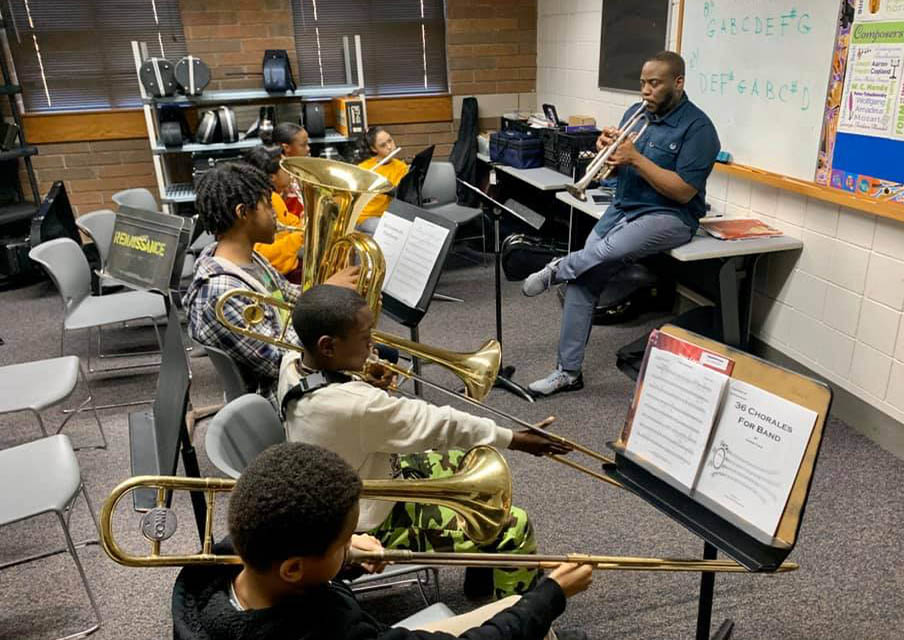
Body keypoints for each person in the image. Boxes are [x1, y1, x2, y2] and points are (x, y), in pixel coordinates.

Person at [278, 284, 573, 599]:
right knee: (514, 527)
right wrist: (516, 439)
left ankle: (482, 572)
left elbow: (354, 406)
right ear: (327, 346)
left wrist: (367, 380)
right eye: (364, 339)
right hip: (364, 524)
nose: (372, 345)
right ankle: (519, 614)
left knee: (472, 464)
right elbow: (440, 424)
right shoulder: (356, 405)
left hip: (352, 481)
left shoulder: (291, 361)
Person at [172, 442, 593, 640]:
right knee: (524, 612)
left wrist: (343, 560)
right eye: (343, 541)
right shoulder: (324, 630)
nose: (352, 543)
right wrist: (551, 595)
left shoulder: (220, 567)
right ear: (295, 567)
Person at [523, 51, 720, 397]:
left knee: (606, 251)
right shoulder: (636, 114)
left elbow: (683, 191)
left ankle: (557, 268)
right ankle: (568, 373)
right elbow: (615, 172)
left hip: (670, 216)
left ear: (678, 83)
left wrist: (636, 158)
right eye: (643, 82)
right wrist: (608, 152)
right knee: (584, 279)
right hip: (624, 207)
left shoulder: (699, 129)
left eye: (654, 83)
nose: (645, 90)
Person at [183, 162, 358, 407]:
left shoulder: (250, 259)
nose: (276, 213)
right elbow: (280, 360)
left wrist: (333, 293)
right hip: (281, 397)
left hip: (295, 373)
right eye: (268, 205)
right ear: (243, 213)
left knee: (371, 352)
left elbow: (292, 297)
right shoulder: (222, 292)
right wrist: (326, 296)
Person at [242, 145, 304, 282]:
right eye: (285, 168)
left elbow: (289, 221)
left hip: (290, 266)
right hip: (282, 275)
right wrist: (302, 235)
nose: (290, 172)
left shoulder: (276, 198)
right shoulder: (269, 201)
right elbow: (265, 254)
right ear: (272, 177)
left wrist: (302, 223)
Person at [356, 126, 409, 234]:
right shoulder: (364, 168)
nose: (389, 147)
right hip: (365, 217)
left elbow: (400, 195)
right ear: (374, 149)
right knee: (392, 229)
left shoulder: (401, 167)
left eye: (390, 141)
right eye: (383, 145)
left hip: (388, 216)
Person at [273, 122, 310, 218]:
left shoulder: (302, 165)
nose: (308, 148)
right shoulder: (280, 175)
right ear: (286, 147)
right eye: (303, 145)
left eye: (308, 144)